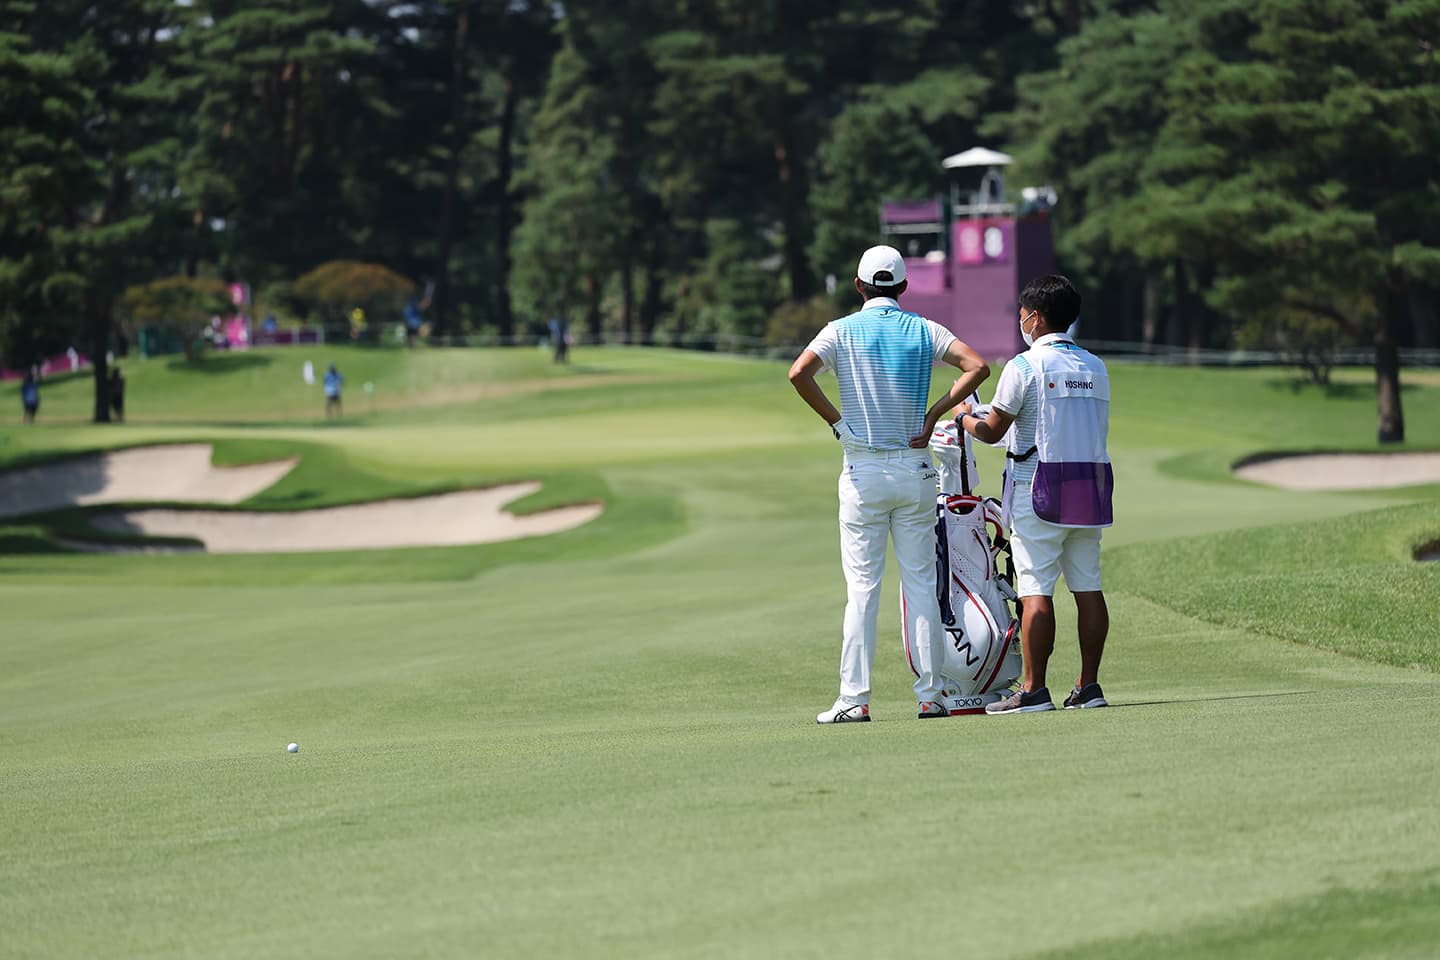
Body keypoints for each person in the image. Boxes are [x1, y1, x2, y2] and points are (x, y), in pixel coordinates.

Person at [789, 244, 990, 723]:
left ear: (859, 286)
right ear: (902, 287)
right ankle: (931, 695)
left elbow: (799, 373)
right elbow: (977, 367)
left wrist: (838, 423)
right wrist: (937, 412)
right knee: (920, 584)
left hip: (862, 471)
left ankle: (854, 700)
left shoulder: (839, 331)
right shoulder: (925, 329)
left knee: (862, 588)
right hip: (916, 469)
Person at [956, 274, 1113, 714]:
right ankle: (1089, 686)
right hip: (1090, 488)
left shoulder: (1023, 366)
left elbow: (992, 431)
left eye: (1023, 314)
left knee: (1035, 589)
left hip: (1037, 488)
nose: (1021, 321)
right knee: (1088, 587)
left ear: (1036, 318)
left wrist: (965, 416)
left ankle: (1033, 689)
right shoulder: (1095, 366)